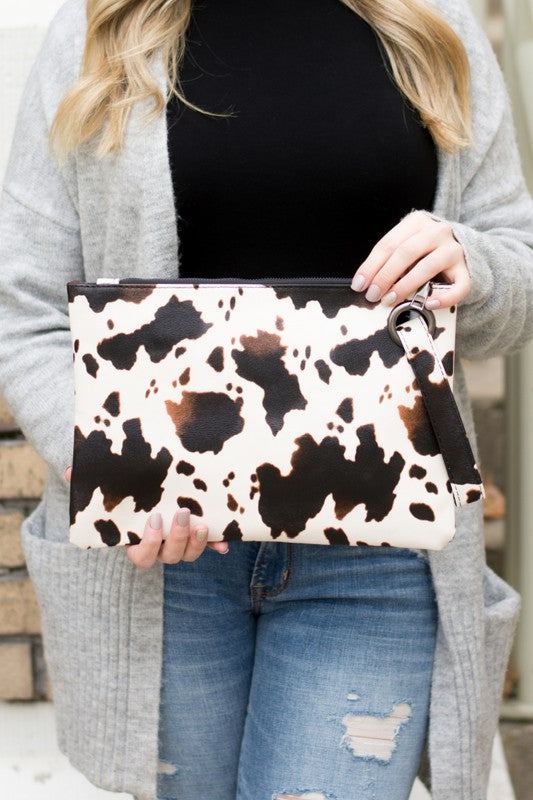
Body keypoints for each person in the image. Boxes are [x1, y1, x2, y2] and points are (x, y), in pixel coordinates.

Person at [0, 0, 532, 797]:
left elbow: (510, 276)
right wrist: (116, 472)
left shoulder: (433, 22)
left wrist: (472, 263)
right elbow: (29, 309)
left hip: (376, 559)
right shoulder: (100, 28)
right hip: (169, 561)